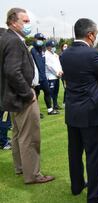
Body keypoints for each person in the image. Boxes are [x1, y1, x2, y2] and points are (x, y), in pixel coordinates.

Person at [60, 18, 98, 203]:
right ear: (90, 35)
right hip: (92, 112)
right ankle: (95, 196)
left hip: (73, 110)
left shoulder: (65, 54)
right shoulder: (93, 55)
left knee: (75, 152)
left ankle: (77, 186)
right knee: (95, 155)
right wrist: (97, 81)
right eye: (96, 34)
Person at [0, 7, 54, 184]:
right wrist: (28, 94)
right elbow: (12, 71)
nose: (28, 24)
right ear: (13, 22)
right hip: (21, 96)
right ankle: (32, 174)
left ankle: (21, 168)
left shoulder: (8, 38)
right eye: (25, 21)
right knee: (29, 137)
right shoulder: (14, 41)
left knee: (17, 134)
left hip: (12, 95)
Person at [31, 33, 59, 115]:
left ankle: (50, 110)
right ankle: (36, 112)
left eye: (42, 39)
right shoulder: (31, 49)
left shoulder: (42, 49)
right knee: (36, 95)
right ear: (35, 39)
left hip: (44, 77)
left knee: (48, 92)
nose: (41, 41)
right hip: (35, 77)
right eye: (39, 39)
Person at [45, 39, 63, 111]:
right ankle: (51, 106)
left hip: (57, 76)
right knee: (50, 92)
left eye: (54, 46)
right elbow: (49, 66)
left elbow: (58, 64)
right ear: (48, 47)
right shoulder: (46, 55)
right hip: (51, 77)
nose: (53, 47)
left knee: (56, 92)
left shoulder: (55, 55)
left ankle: (55, 105)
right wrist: (57, 73)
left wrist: (60, 71)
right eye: (52, 46)